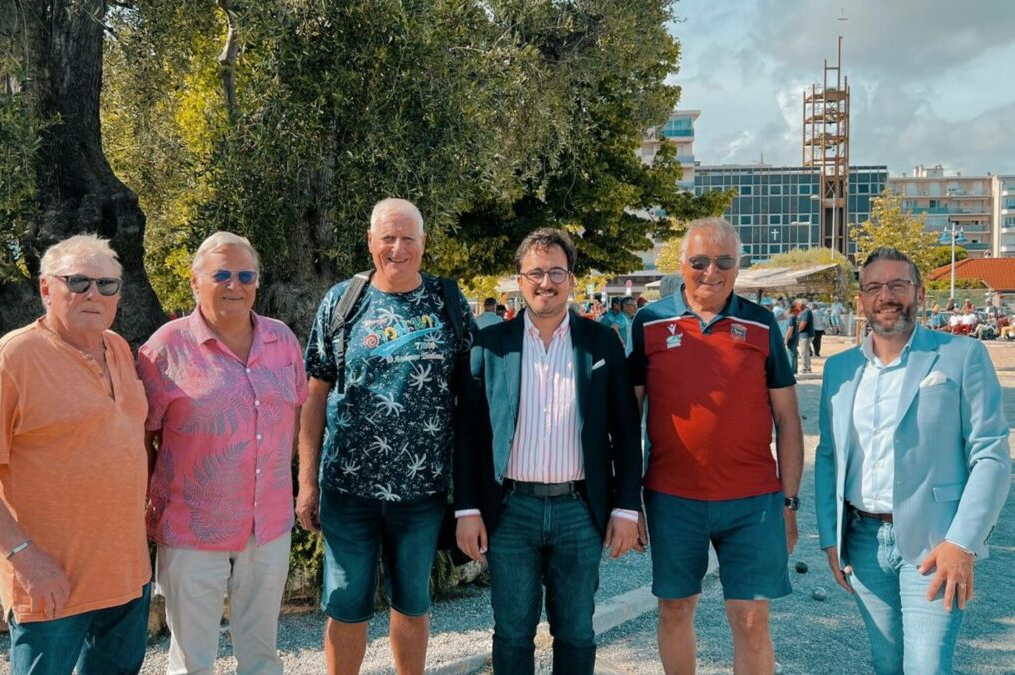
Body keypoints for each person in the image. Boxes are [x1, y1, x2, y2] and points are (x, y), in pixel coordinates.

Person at [0, 234, 151, 674]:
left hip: (127, 576)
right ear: (46, 289)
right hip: (51, 583)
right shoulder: (12, 359)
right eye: (77, 282)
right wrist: (26, 558)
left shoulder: (117, 348)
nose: (93, 293)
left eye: (106, 285)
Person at [298, 198, 475, 675]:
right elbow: (314, 397)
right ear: (372, 242)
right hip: (347, 492)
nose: (397, 248)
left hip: (421, 494)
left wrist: (472, 494)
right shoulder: (342, 302)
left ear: (423, 243)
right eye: (387, 238)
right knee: (345, 605)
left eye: (408, 239)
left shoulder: (448, 301)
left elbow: (472, 399)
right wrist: (307, 482)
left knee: (412, 604)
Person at [455, 228, 643, 675]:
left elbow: (625, 430)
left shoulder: (601, 344)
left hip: (579, 510)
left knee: (576, 633)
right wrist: (466, 509)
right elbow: (470, 433)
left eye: (556, 272)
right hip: (509, 509)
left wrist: (626, 508)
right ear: (519, 281)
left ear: (572, 279)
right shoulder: (490, 345)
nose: (546, 282)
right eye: (535, 272)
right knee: (513, 634)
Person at [815, 247, 1011, 675]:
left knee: (926, 666)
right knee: (886, 664)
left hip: (935, 542)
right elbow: (829, 454)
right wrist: (831, 537)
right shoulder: (840, 369)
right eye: (874, 287)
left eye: (898, 285)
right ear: (861, 300)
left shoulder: (962, 356)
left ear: (919, 294)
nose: (887, 296)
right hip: (863, 542)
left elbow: (992, 455)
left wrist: (962, 542)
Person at [629, 218, 803, 674]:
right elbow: (628, 421)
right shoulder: (648, 322)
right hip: (672, 497)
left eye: (724, 261)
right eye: (700, 261)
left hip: (754, 501)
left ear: (738, 266)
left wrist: (789, 501)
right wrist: (628, 501)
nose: (712, 272)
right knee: (675, 607)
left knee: (750, 619)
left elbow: (787, 418)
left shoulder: (763, 323)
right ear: (682, 265)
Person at [136, 232, 309, 674]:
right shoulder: (163, 349)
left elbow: (296, 415)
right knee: (192, 660)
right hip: (192, 529)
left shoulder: (282, 340)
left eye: (246, 275)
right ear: (195, 281)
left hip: (267, 525)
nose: (236, 285)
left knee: (262, 655)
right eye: (222, 275)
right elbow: (143, 439)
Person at [796, 299, 814, 373]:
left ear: (801, 305)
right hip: (806, 334)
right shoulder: (806, 311)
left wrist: (797, 331)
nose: (797, 307)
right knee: (806, 351)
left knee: (804, 352)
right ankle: (808, 367)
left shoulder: (805, 312)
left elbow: (803, 323)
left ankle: (805, 367)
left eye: (798, 305)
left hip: (805, 334)